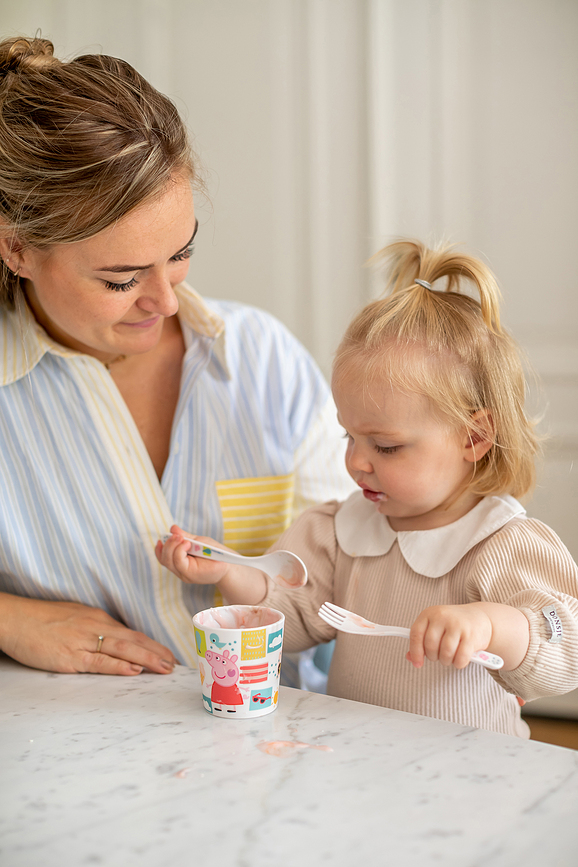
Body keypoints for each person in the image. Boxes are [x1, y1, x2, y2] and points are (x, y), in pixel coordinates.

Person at [0, 35, 353, 679]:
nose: (165, 301)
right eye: (121, 279)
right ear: (16, 248)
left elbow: (359, 569)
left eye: (181, 253)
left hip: (288, 728)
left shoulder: (264, 360)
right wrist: (10, 618)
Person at [159, 238, 578, 737]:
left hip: (466, 774)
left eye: (385, 446)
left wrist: (492, 626)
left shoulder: (500, 543)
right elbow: (295, 618)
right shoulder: (341, 531)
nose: (356, 462)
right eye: (349, 437)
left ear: (474, 437)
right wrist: (231, 571)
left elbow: (565, 647)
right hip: (360, 762)